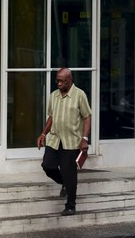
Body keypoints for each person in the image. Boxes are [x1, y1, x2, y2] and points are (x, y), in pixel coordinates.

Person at [37, 67, 91, 216]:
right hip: (55, 139)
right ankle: (64, 183)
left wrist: (84, 139)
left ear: (70, 80)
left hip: (72, 141)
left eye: (62, 81)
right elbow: (51, 117)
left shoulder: (79, 95)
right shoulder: (54, 95)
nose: (59, 84)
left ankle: (70, 206)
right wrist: (43, 133)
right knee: (47, 165)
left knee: (70, 173)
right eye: (57, 80)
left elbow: (87, 117)